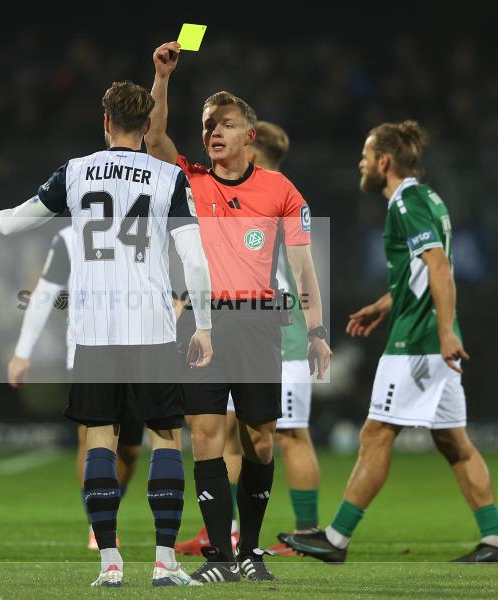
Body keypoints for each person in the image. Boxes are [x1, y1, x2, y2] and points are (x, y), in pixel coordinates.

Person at [0, 80, 213, 587]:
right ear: (148, 126)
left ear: (105, 122)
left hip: (95, 330)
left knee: (99, 440)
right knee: (166, 439)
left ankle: (109, 564)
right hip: (151, 325)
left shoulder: (76, 172)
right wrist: (205, 325)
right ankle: (166, 563)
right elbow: (194, 258)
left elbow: (17, 224)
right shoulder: (170, 177)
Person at [281, 120, 498, 563]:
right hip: (427, 335)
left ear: (384, 162)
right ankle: (496, 540)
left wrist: (444, 333)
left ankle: (335, 538)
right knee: (454, 443)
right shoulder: (430, 199)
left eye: (367, 156)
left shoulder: (405, 202)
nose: (361, 163)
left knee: (376, 432)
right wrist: (386, 304)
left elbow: (440, 266)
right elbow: (423, 271)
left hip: (418, 344)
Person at [146, 43, 332, 583]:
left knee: (260, 438)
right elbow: (155, 137)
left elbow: (302, 269)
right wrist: (162, 78)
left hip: (257, 321)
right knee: (205, 435)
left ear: (250, 135)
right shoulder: (191, 180)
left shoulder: (280, 190)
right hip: (203, 322)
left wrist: (316, 329)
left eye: (224, 124)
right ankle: (222, 559)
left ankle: (249, 550)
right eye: (207, 124)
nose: (212, 132)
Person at [175, 122, 322, 557]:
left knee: (289, 435)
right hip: (244, 329)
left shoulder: (274, 197)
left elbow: (296, 271)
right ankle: (224, 534)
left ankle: (308, 533)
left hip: (280, 333)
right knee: (228, 434)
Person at [7, 224, 144, 550]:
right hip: (88, 349)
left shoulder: (142, 232)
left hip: (140, 347)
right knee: (92, 435)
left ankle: (108, 506)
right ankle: (97, 522)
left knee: (130, 447)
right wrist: (22, 352)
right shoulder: (70, 238)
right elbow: (43, 291)